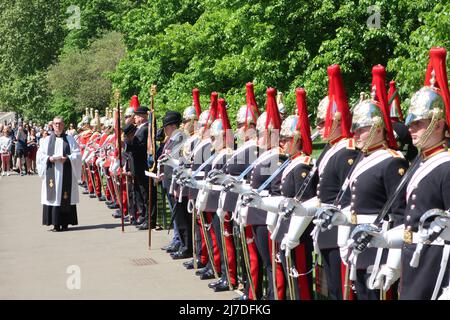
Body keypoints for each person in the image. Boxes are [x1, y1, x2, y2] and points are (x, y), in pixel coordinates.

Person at [365, 47, 450, 300]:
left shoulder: (446, 166)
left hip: (438, 265)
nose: (411, 129)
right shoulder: (420, 163)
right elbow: (408, 226)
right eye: (411, 124)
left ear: (439, 122)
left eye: (419, 123)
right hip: (414, 261)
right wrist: (383, 245)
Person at [37, 116, 82, 232]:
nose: (58, 126)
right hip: (51, 173)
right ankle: (55, 224)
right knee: (53, 196)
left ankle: (65, 223)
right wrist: (49, 158)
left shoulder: (70, 139)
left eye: (60, 124)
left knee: (64, 196)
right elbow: (40, 155)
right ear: (52, 125)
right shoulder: (46, 140)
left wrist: (67, 158)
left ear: (63, 125)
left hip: (66, 172)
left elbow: (77, 154)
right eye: (56, 124)